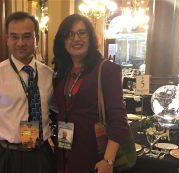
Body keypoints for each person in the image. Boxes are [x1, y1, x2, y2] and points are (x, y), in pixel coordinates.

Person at [0, 11, 56, 173]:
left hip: (40, 154)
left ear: (36, 38)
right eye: (14, 37)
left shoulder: (48, 75)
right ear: (7, 40)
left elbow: (58, 109)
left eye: (27, 36)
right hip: (5, 155)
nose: (20, 43)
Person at [53, 14, 132, 173]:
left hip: (93, 155)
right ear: (63, 41)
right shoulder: (62, 72)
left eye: (82, 32)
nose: (76, 38)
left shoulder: (107, 70)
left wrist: (108, 160)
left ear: (90, 37)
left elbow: (118, 118)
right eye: (69, 34)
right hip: (64, 151)